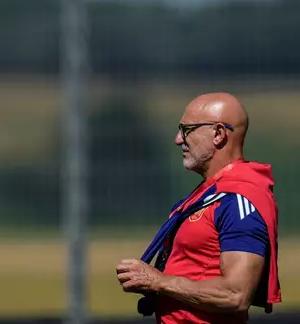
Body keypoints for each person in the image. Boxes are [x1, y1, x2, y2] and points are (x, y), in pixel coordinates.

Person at [116, 92, 281, 324]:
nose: (178, 139)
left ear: (218, 134)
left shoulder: (239, 201)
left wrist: (158, 281)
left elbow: (236, 294)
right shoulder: (206, 195)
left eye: (187, 130)